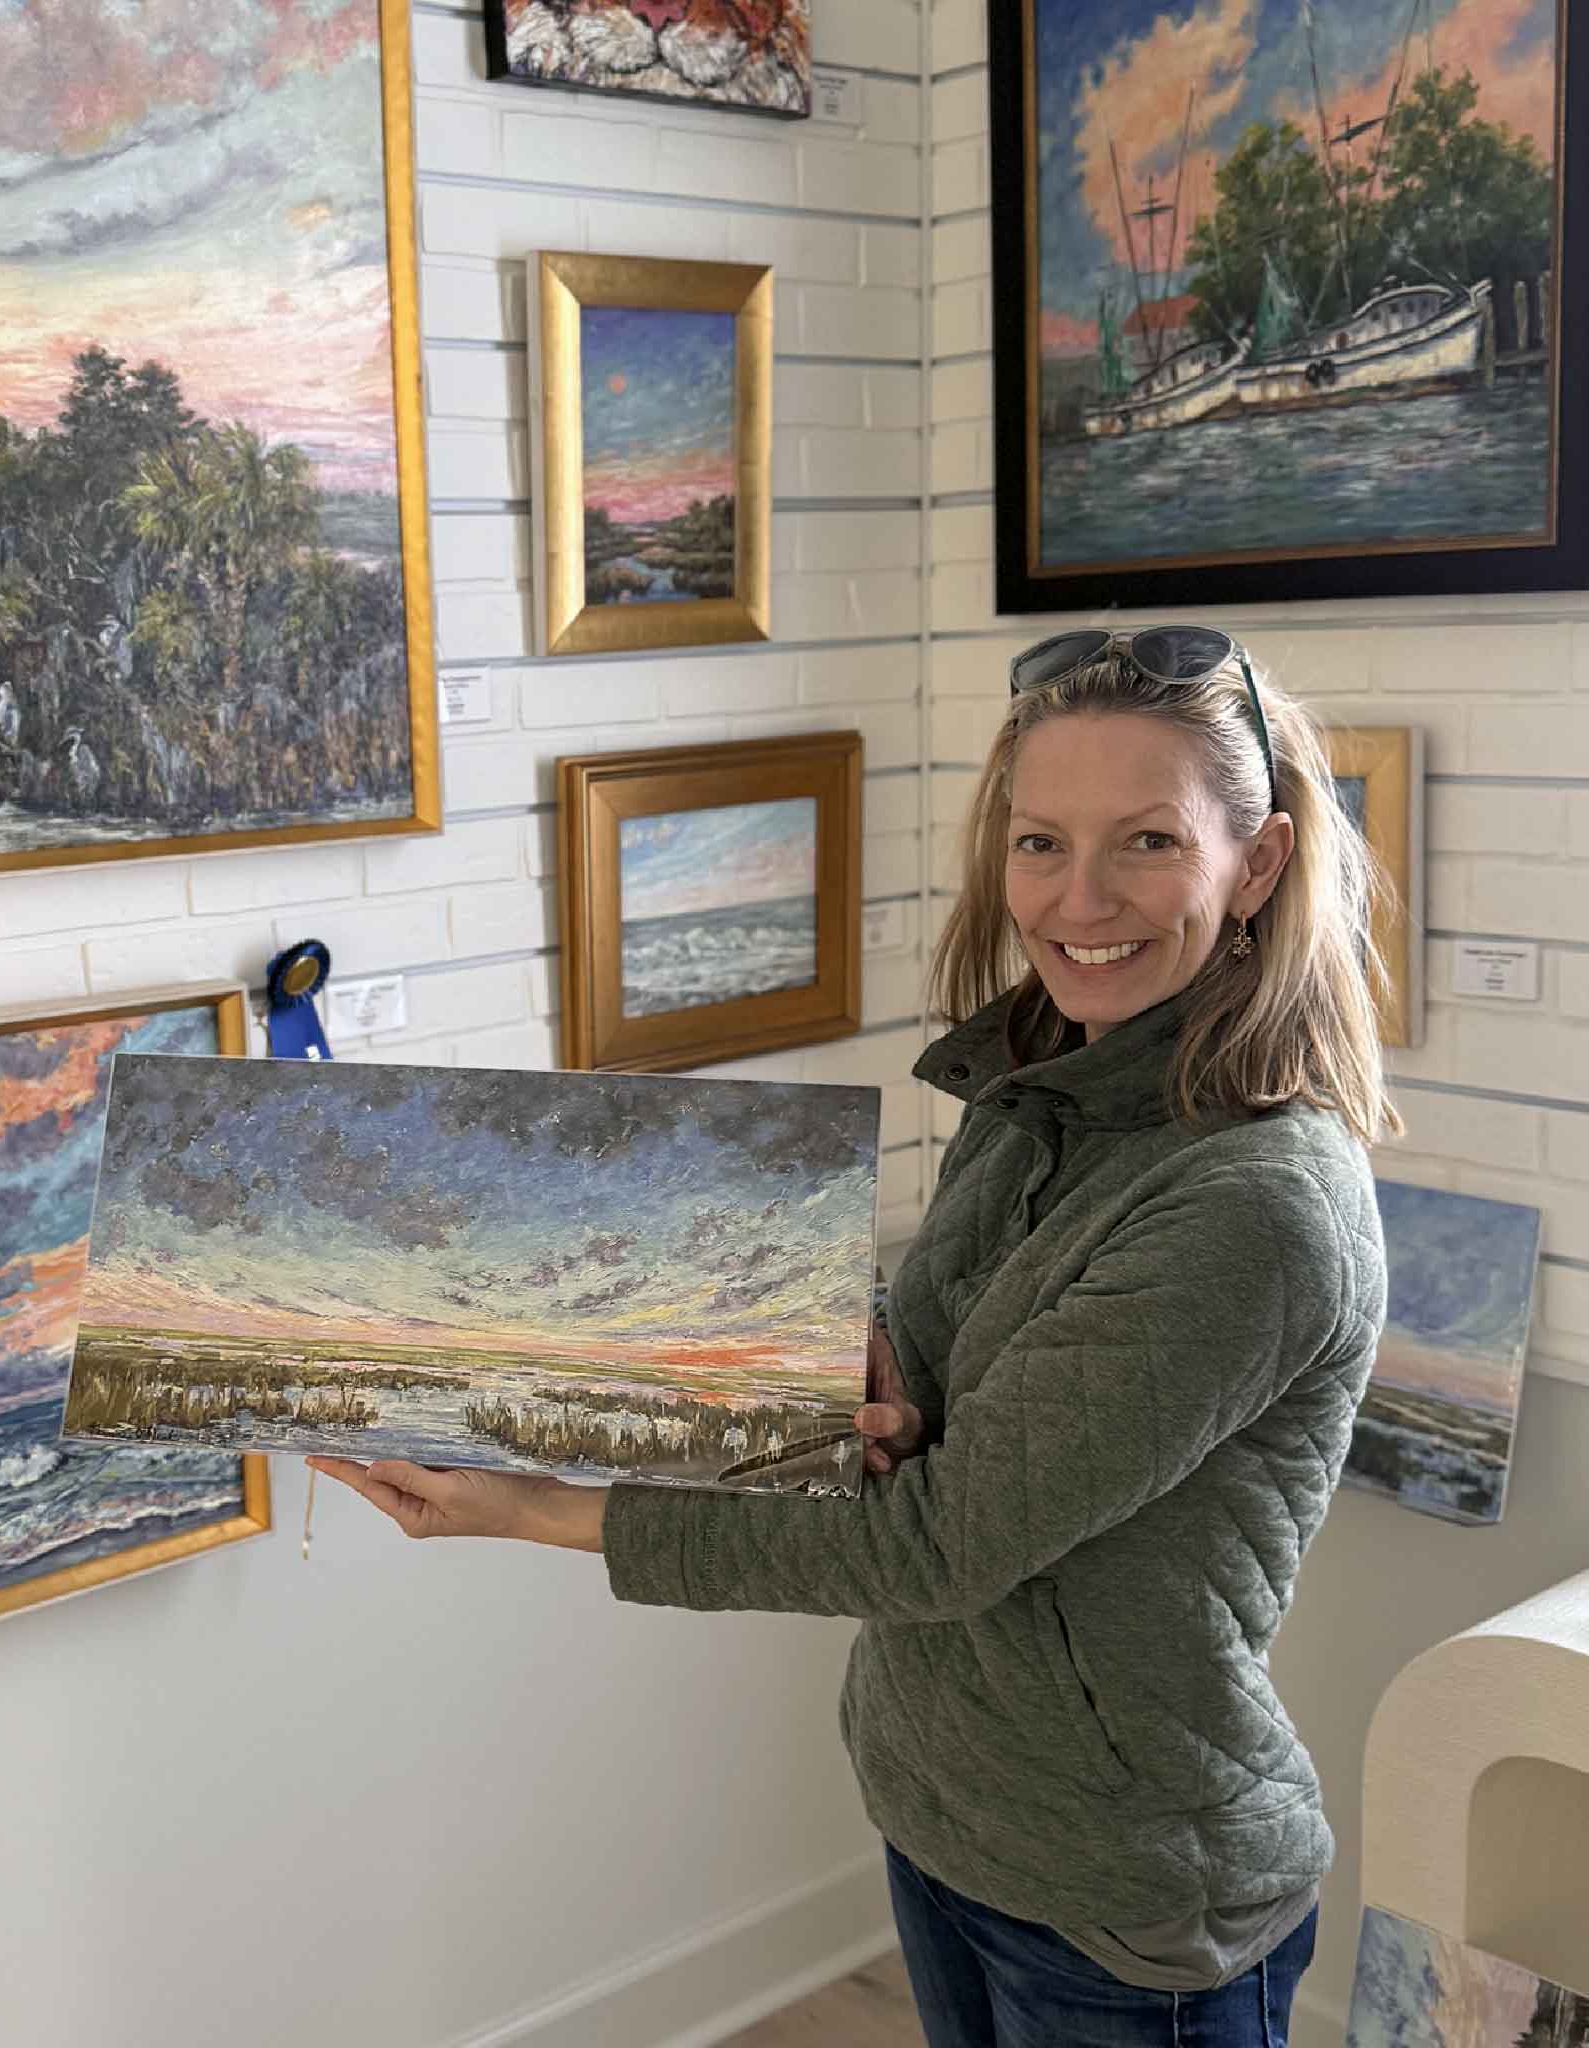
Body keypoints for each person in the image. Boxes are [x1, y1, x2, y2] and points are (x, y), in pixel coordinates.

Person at [311, 625, 1392, 2047]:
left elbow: (935, 1544)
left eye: (1145, 843)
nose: (1077, 900)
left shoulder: (1256, 1206)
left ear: (1256, 863)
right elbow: (942, 1362)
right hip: (941, 1805)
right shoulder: (1049, 1082)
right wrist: (849, 1368)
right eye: (1039, 842)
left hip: (1121, 1895)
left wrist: (532, 1505)